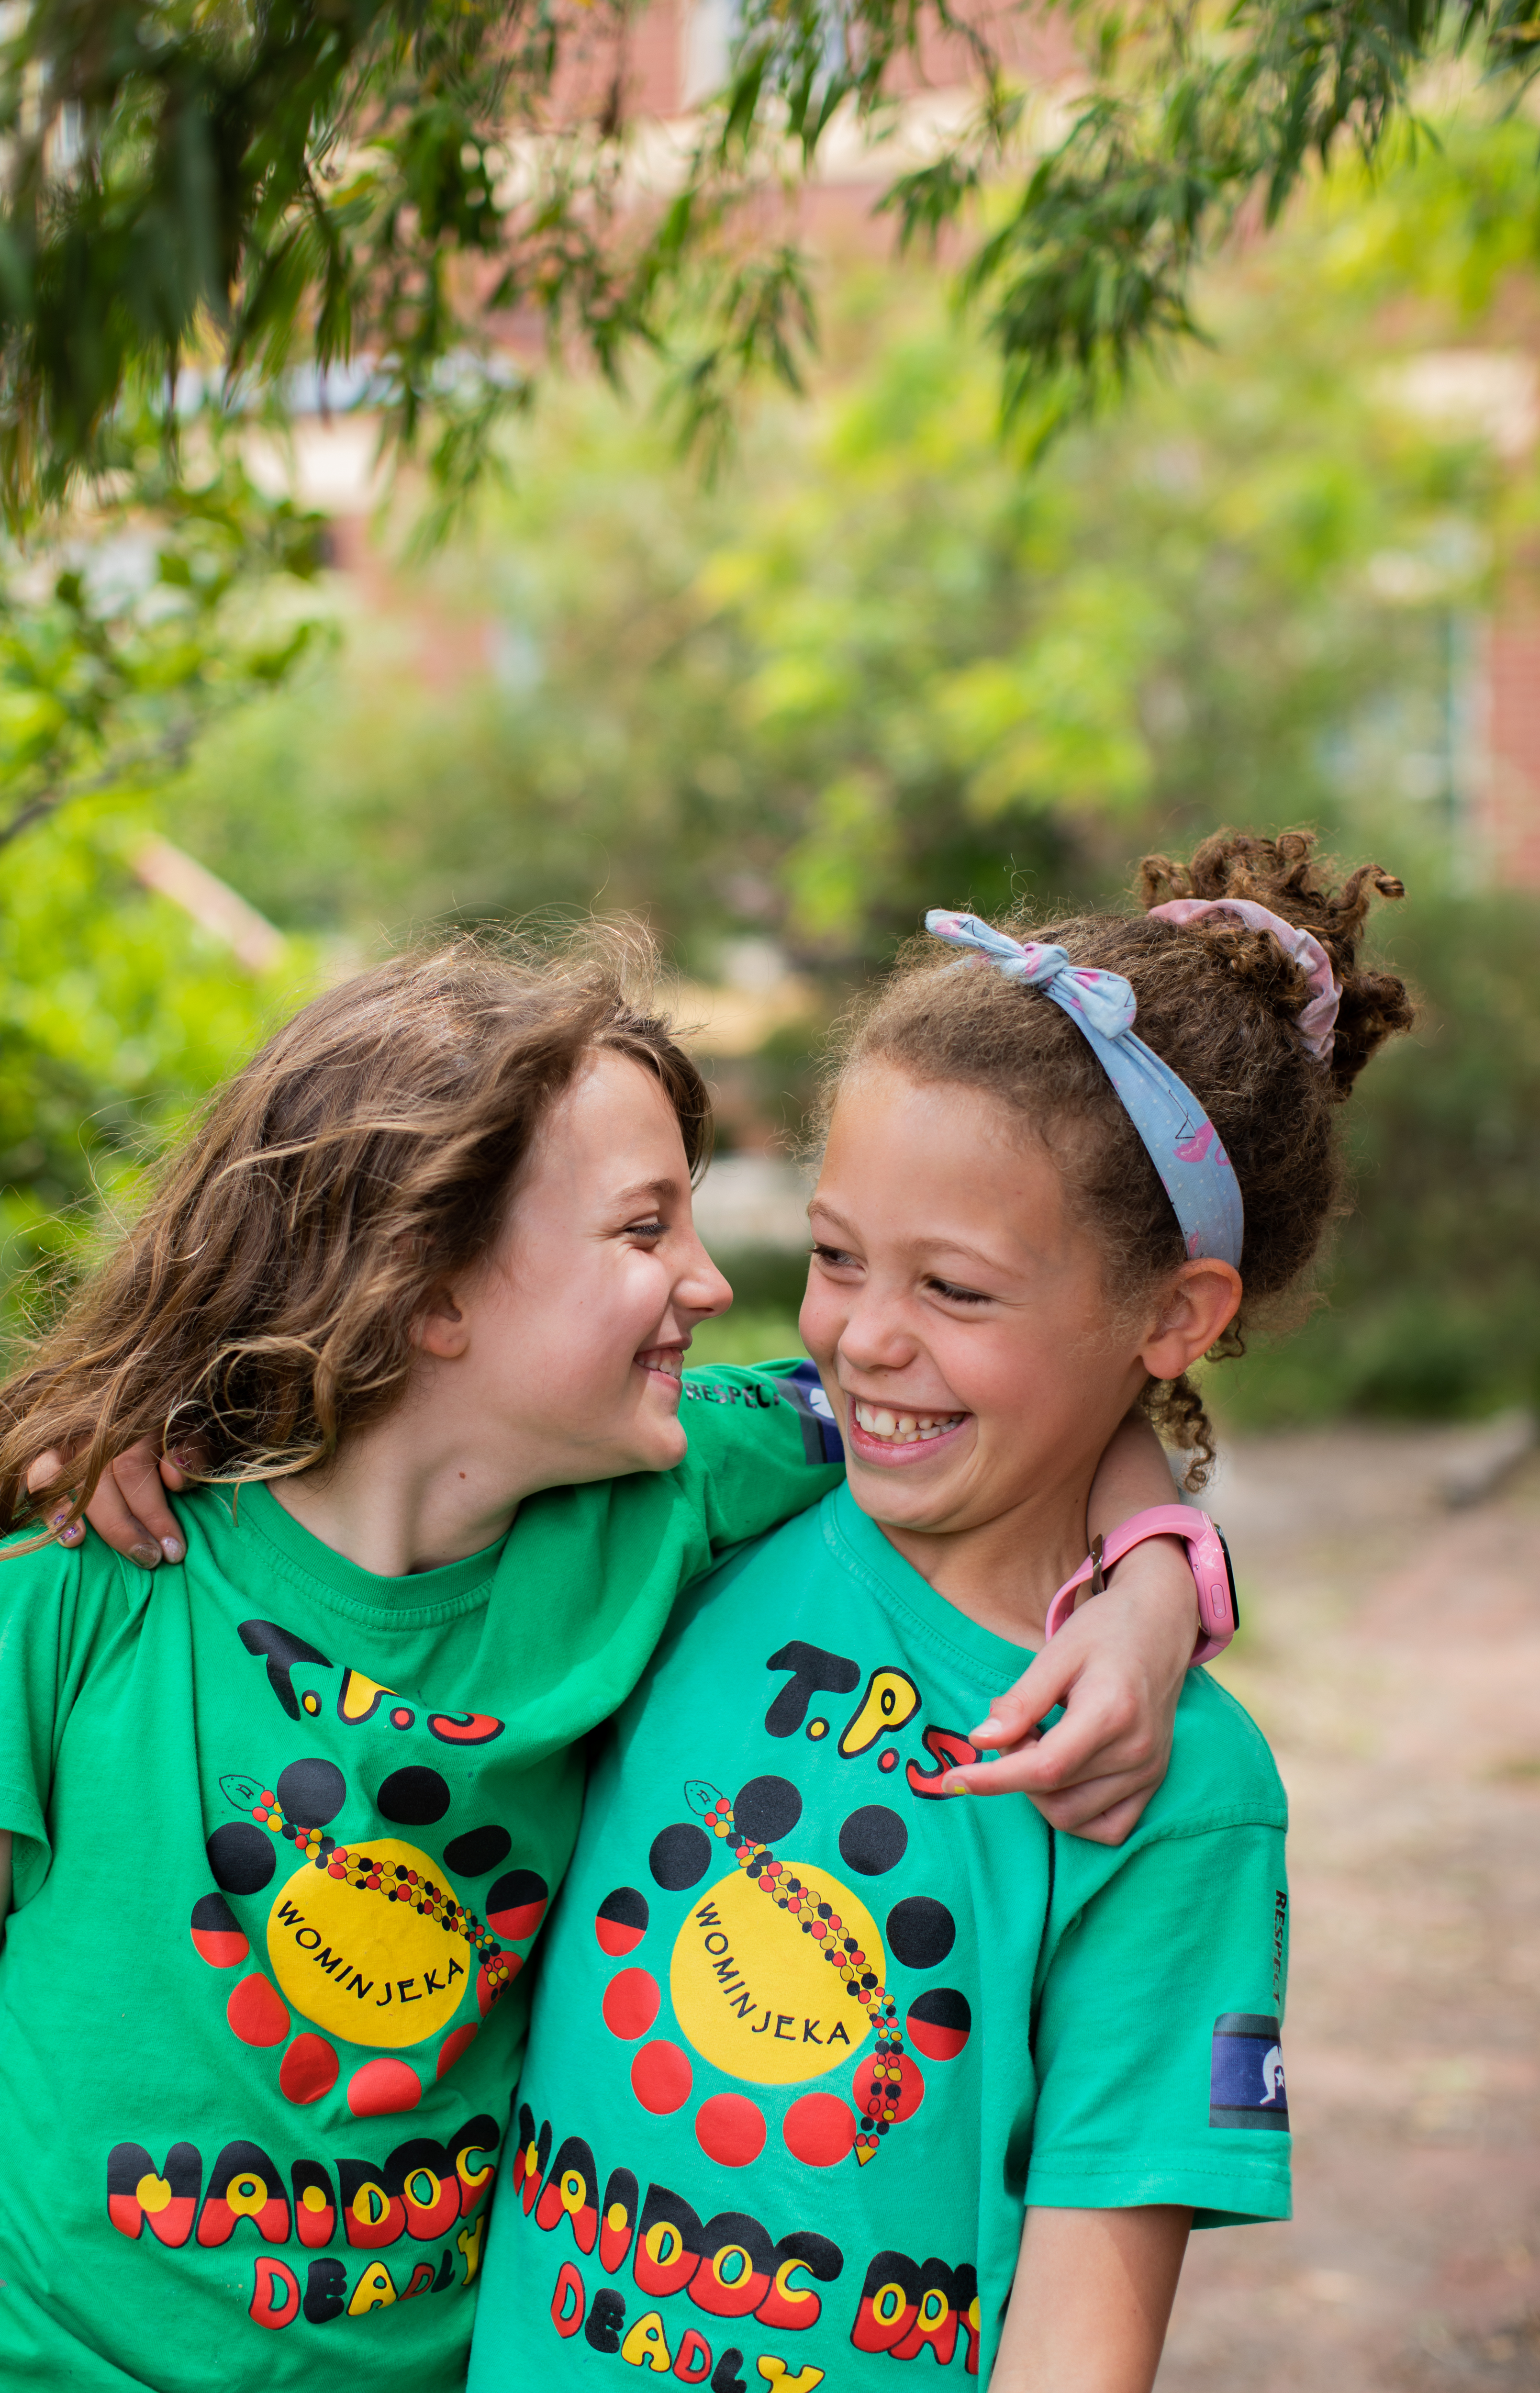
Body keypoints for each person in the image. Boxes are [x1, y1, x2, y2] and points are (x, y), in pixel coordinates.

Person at [0, 931, 1200, 2393]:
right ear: (431, 1288)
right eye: (643, 1229)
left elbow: (1048, 1379)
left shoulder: (671, 1495)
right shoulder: (77, 1586)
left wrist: (1154, 1573)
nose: (711, 1281)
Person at [470, 831, 1414, 2393]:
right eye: (837, 1260)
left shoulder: (1170, 1790)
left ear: (1174, 1316)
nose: (866, 1340)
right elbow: (387, 1452)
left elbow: (1085, 2326)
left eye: (958, 1292)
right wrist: (149, 1442)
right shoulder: (700, 1508)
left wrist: (1155, 1576)